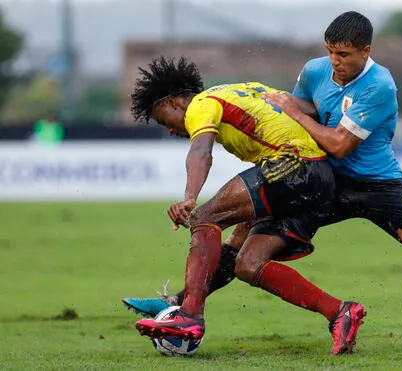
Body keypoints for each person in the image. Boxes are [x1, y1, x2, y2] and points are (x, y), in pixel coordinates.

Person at [126, 11, 402, 351]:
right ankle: (179, 306)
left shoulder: (379, 85)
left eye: (344, 54)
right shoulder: (315, 70)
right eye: (331, 52)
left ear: (366, 52)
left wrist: (295, 115)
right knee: (243, 254)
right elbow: (294, 112)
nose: (335, 61)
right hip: (316, 182)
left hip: (375, 183)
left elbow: (338, 143)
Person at [129, 56, 367, 355]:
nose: (171, 131)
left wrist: (190, 197)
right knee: (246, 262)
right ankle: (340, 312)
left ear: (176, 101)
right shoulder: (244, 88)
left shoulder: (202, 103)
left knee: (205, 217)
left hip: (294, 166)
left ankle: (189, 316)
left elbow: (201, 151)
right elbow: (308, 108)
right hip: (317, 179)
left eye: (165, 120)